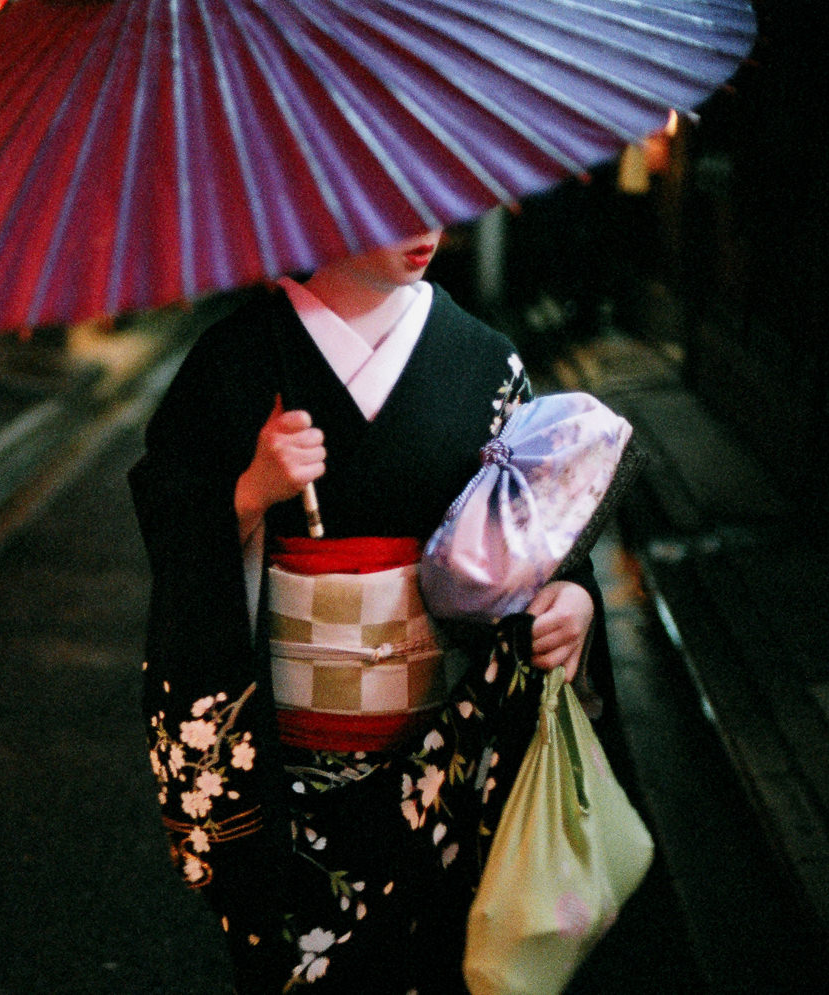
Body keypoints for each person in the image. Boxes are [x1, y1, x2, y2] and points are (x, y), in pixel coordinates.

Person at [129, 229, 605, 993]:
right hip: (288, 765)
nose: (426, 227)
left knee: (439, 960)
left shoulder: (484, 362)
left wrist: (573, 596)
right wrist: (250, 491)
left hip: (444, 753)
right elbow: (169, 510)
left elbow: (542, 534)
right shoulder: (236, 357)